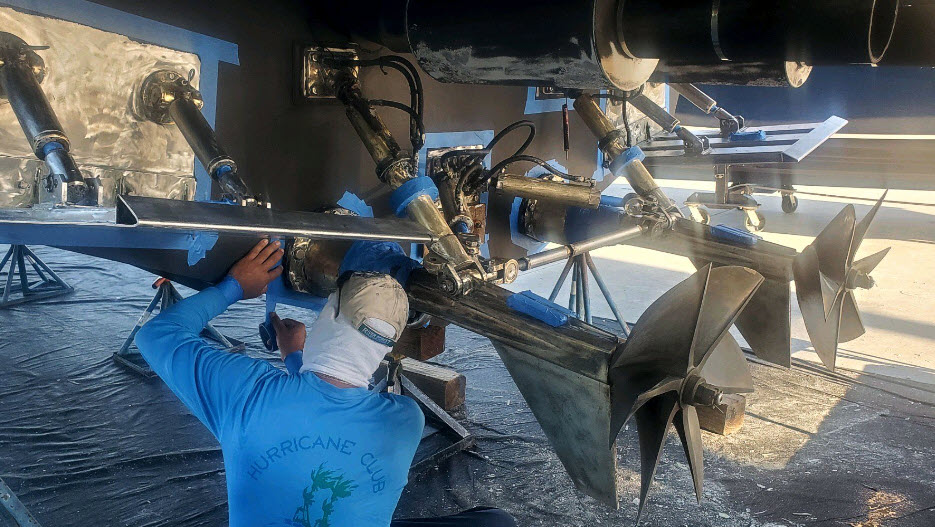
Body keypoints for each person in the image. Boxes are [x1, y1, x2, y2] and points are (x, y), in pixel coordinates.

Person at [135, 238, 515, 527]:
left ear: (328, 315)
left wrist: (234, 286)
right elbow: (335, 387)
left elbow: (155, 336)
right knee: (497, 522)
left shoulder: (248, 393)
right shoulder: (404, 419)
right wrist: (298, 361)